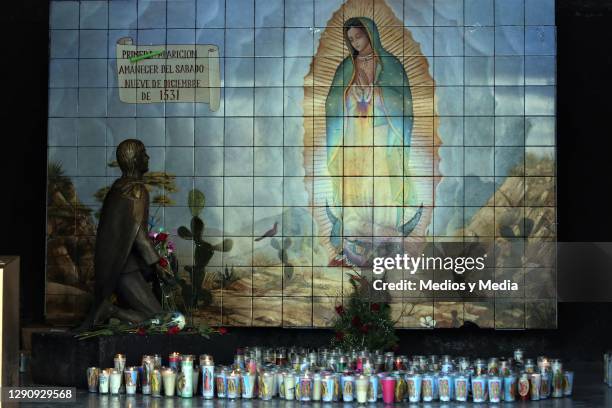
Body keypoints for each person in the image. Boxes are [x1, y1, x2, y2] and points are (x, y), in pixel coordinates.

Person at [325, 17, 420, 261]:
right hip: (355, 133)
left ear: (371, 34)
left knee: (381, 181)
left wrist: (377, 92)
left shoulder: (390, 66)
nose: (355, 43)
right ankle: (354, 235)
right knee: (355, 182)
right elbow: (333, 105)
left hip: (381, 133)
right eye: (351, 39)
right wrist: (351, 96)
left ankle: (384, 236)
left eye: (359, 36)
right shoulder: (347, 67)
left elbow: (404, 103)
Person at [78, 139, 167, 329]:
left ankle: (113, 313)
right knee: (159, 320)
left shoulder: (118, 188)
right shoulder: (136, 190)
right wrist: (157, 264)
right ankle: (111, 311)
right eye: (143, 153)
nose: (148, 157)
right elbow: (139, 235)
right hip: (126, 269)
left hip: (116, 266)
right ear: (135, 160)